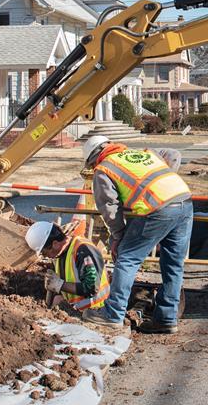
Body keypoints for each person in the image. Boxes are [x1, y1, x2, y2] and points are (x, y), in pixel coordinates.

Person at [78, 135, 193, 334]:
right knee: (173, 264)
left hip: (156, 208)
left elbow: (109, 207)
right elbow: (174, 154)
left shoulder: (104, 169)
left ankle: (113, 314)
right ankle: (166, 319)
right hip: (184, 201)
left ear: (93, 158)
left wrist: (118, 236)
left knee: (127, 259)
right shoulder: (143, 153)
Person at [25, 219, 110, 311]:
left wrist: (59, 285)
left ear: (55, 244)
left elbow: (92, 288)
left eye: (44, 252)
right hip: (77, 307)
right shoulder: (58, 254)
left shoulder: (83, 251)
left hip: (96, 309)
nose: (45, 256)